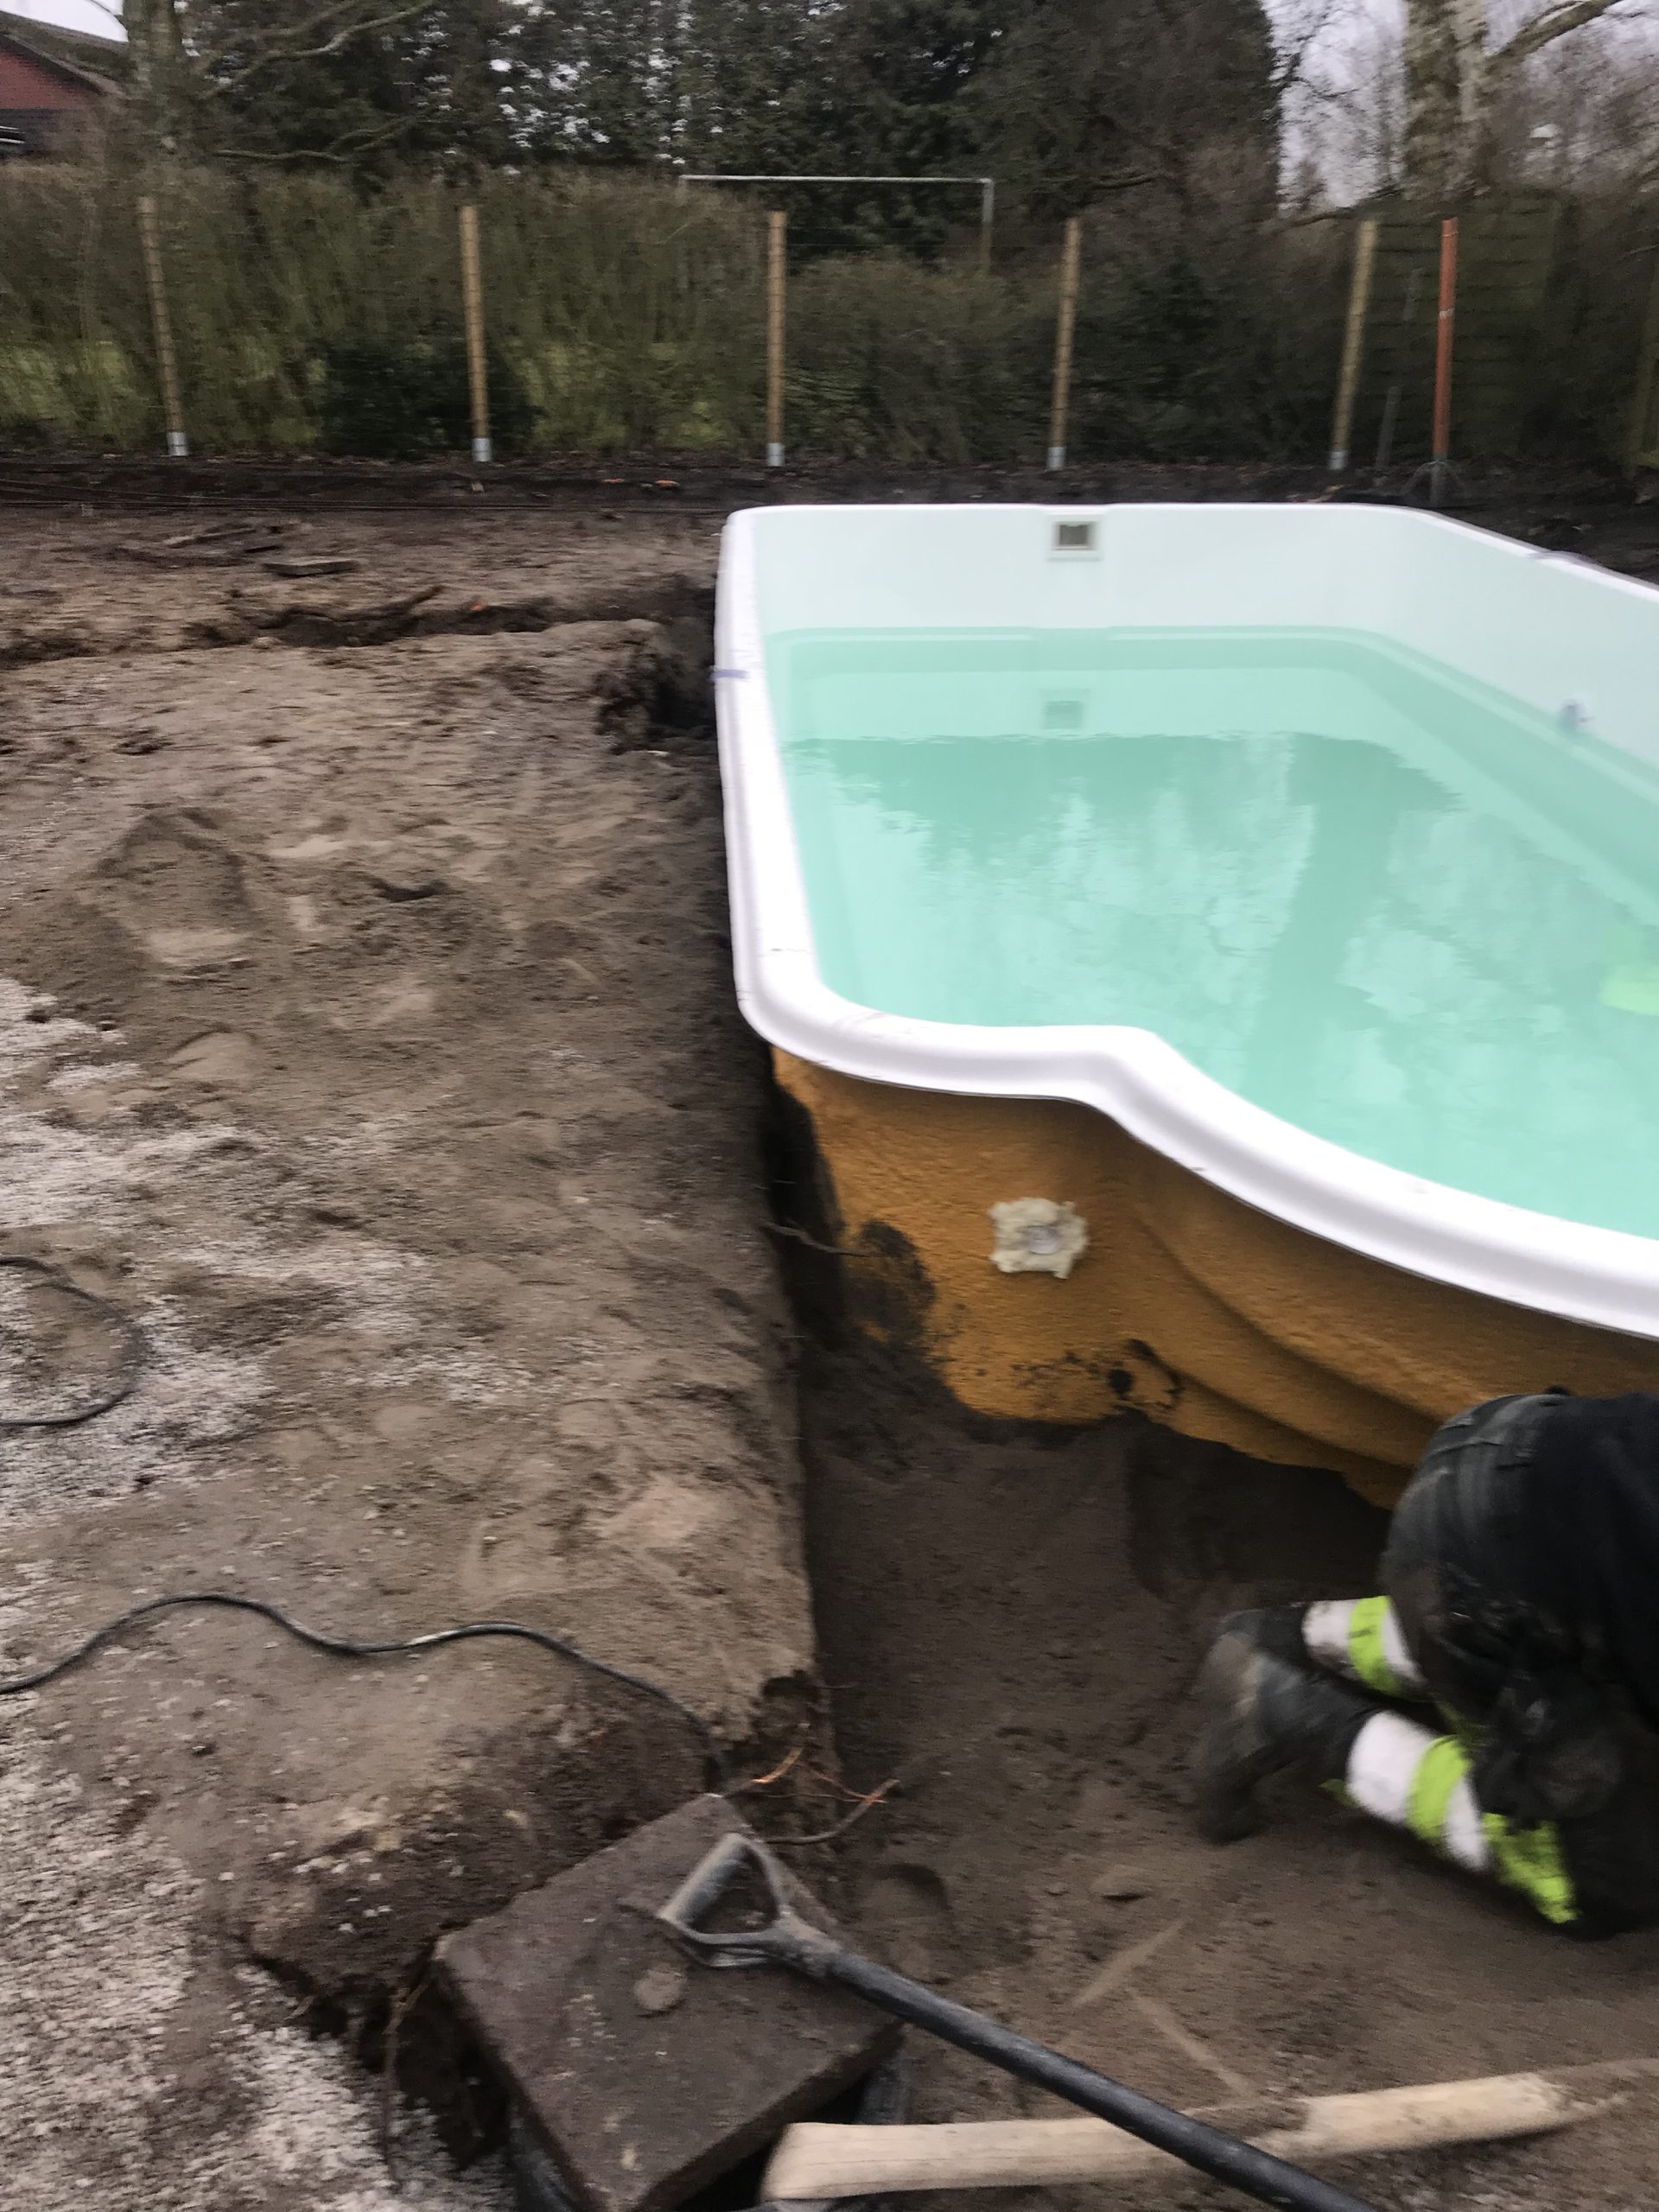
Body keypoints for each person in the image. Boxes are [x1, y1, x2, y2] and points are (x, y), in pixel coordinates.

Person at [1191, 1390, 1659, 1936]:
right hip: (1481, 1579)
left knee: (1572, 1622)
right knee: (1604, 1885)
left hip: (1504, 1443)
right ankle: (1280, 1710)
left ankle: (1290, 1637)